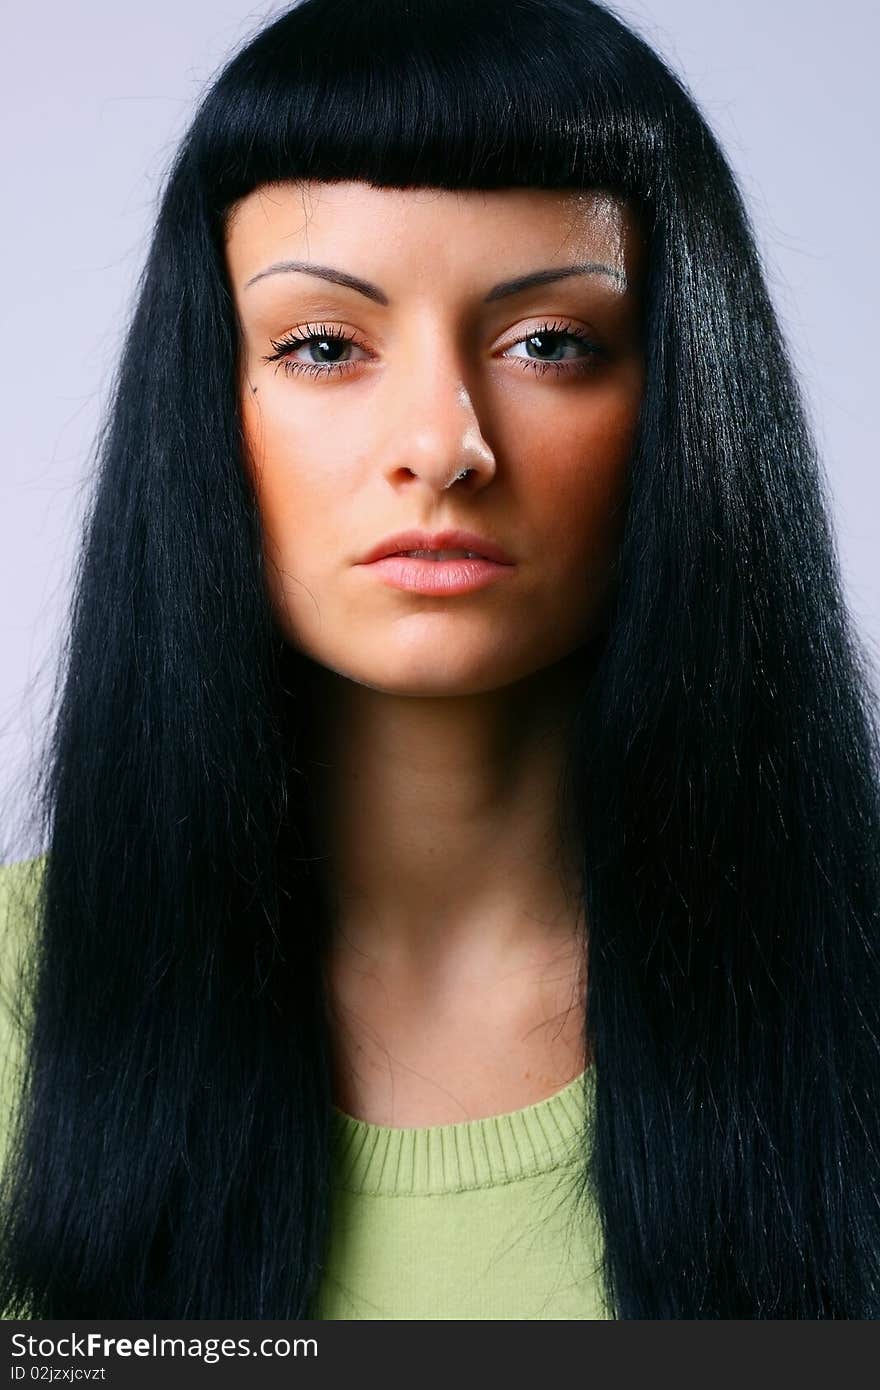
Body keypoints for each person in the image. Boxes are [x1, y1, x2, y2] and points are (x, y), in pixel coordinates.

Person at [0, 0, 878, 1320]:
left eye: (549, 343)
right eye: (322, 346)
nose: (444, 442)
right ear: (205, 396)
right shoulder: (16, 1005)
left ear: (686, 398)